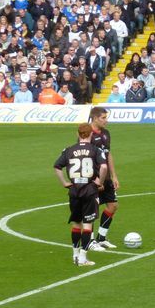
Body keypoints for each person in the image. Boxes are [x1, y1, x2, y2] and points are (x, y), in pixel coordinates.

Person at [53, 123, 108, 267]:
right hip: (89, 190)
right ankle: (83, 258)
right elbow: (103, 166)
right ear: (91, 134)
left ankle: (75, 255)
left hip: (74, 191)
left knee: (76, 223)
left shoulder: (69, 150)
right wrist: (99, 182)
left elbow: (57, 166)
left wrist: (64, 182)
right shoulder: (95, 150)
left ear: (78, 134)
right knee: (87, 224)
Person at [87, 107, 120, 250]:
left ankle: (101, 238)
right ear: (95, 118)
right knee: (92, 209)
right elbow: (86, 159)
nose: (107, 120)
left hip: (105, 177)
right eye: (104, 118)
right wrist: (96, 180)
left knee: (113, 206)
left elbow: (108, 154)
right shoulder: (87, 134)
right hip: (93, 178)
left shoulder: (106, 133)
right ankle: (90, 240)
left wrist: (113, 176)